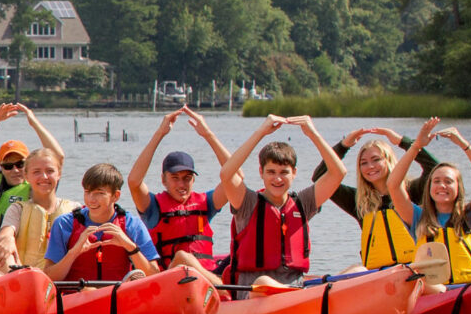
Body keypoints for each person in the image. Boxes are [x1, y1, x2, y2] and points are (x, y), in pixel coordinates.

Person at [217, 115, 350, 289]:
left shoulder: (303, 202)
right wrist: (261, 132)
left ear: (294, 172)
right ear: (261, 172)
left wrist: (313, 134)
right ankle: (300, 296)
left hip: (294, 288)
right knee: (263, 282)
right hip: (254, 290)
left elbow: (338, 173)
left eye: (284, 172)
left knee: (356, 270)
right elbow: (226, 174)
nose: (278, 178)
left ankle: (300, 296)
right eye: (271, 172)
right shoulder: (247, 202)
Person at [385, 119, 471, 287]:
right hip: (436, 292)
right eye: (437, 181)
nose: (442, 186)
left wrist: (464, 145)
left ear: (458, 188)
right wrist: (416, 146)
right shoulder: (418, 218)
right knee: (414, 280)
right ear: (429, 187)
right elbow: (393, 185)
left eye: (448, 181)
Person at [126, 107, 232, 274]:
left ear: (194, 179)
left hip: (204, 278)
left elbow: (235, 178)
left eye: (187, 178)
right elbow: (134, 181)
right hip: (172, 280)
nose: (182, 184)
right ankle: (221, 287)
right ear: (163, 180)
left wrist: (208, 135)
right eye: (175, 178)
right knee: (184, 257)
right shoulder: (153, 207)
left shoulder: (207, 203)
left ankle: (220, 287)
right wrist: (160, 134)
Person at [320, 126, 433, 269]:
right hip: (378, 276)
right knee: (355, 269)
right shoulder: (358, 200)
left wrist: (401, 141)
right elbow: (320, 178)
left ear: (388, 160)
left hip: (414, 270)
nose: (370, 166)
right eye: (364, 163)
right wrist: (343, 146)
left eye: (376, 160)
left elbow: (435, 168)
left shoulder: (412, 190)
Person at [0, 103, 63, 270]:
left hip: (18, 254)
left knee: (3, 262)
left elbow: (57, 157)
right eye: (8, 166)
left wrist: (34, 123)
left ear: (28, 168)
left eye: (20, 164)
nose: (15, 170)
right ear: (2, 167)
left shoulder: (38, 184)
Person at [43, 163, 163, 282]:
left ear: (115, 196)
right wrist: (73, 253)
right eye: (87, 192)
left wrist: (130, 246)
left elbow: (154, 275)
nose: (91, 199)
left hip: (119, 296)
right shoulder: (64, 224)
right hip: (77, 296)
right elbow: (49, 279)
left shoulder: (133, 225)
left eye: (99, 193)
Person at [0, 148, 74, 272]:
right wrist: (7, 238)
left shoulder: (74, 210)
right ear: (26, 176)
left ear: (59, 174)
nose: (44, 177)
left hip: (61, 280)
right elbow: (5, 234)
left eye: (50, 171)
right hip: (22, 278)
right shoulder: (17, 209)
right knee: (4, 248)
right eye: (36, 172)